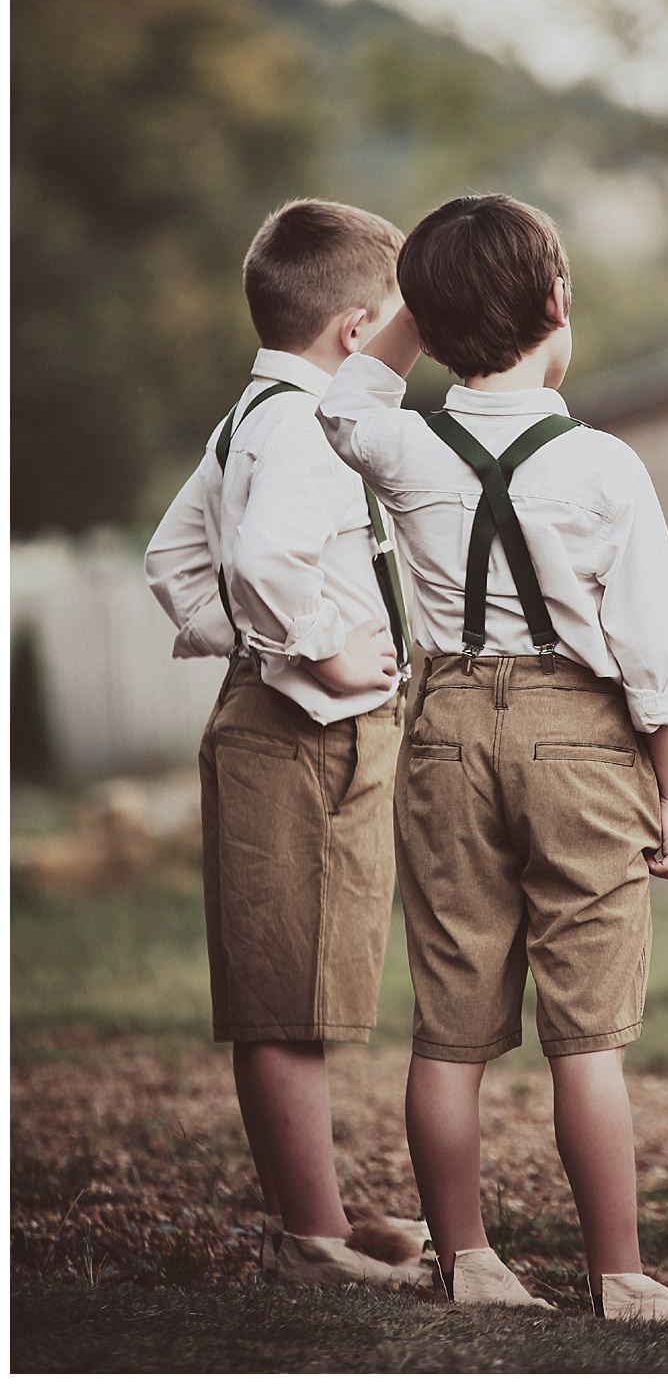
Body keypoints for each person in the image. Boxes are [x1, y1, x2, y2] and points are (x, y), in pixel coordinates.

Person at [317, 193, 668, 1320]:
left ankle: (471, 1262)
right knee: (587, 1033)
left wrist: (415, 305)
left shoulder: (404, 444)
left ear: (430, 314)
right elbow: (658, 654)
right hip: (580, 737)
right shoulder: (604, 466)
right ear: (559, 301)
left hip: (447, 729)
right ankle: (619, 1276)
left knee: (450, 1027)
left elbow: (347, 393)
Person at [145, 199, 428, 1290]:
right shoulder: (305, 425)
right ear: (358, 332)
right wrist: (314, 653)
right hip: (303, 735)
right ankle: (310, 1239)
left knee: (306, 976)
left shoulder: (250, 412)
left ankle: (321, 1214)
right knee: (286, 989)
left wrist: (263, 651)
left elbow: (176, 562)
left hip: (289, 724)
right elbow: (261, 562)